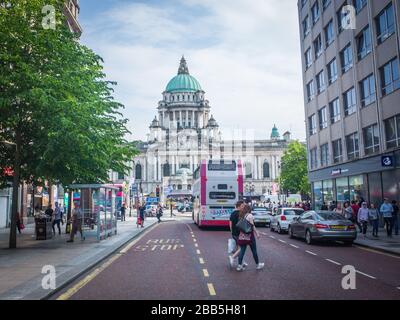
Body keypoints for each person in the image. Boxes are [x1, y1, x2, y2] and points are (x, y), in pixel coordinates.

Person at [236, 204, 264, 272]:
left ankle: (239, 266)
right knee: (254, 251)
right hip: (249, 236)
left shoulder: (241, 215)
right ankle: (258, 265)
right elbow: (252, 225)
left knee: (242, 251)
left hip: (242, 236)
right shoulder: (250, 215)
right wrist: (257, 233)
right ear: (249, 209)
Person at [228, 201, 248, 268]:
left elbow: (230, 224)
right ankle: (232, 257)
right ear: (238, 206)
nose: (243, 207)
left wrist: (232, 231)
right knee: (242, 248)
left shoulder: (232, 213)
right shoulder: (241, 214)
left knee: (239, 248)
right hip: (240, 233)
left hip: (234, 233)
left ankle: (242, 262)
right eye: (242, 206)